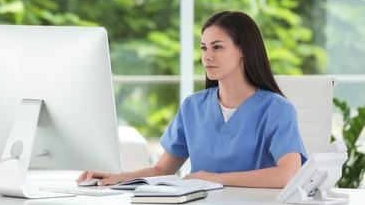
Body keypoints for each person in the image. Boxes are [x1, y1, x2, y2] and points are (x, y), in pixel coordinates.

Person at [77, 10, 307, 188]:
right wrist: (119, 177)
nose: (207, 57)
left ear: (243, 50)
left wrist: (216, 179)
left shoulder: (276, 109)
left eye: (217, 47)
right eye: (204, 48)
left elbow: (288, 174)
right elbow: (162, 170)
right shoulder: (193, 107)